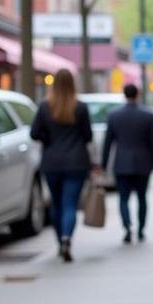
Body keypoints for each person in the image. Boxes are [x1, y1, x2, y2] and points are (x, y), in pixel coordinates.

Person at [30, 68, 93, 262]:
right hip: (76, 162)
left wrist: (48, 139)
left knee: (56, 204)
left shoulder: (44, 107)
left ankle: (60, 242)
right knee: (70, 205)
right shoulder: (80, 107)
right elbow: (88, 136)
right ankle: (67, 238)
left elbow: (34, 133)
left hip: (52, 162)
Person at [102, 84, 153, 244]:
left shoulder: (114, 115)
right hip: (143, 163)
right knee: (142, 197)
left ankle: (127, 226)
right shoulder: (147, 115)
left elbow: (108, 142)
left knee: (123, 198)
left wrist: (103, 164)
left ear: (124, 94)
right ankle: (141, 229)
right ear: (138, 95)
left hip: (121, 163)